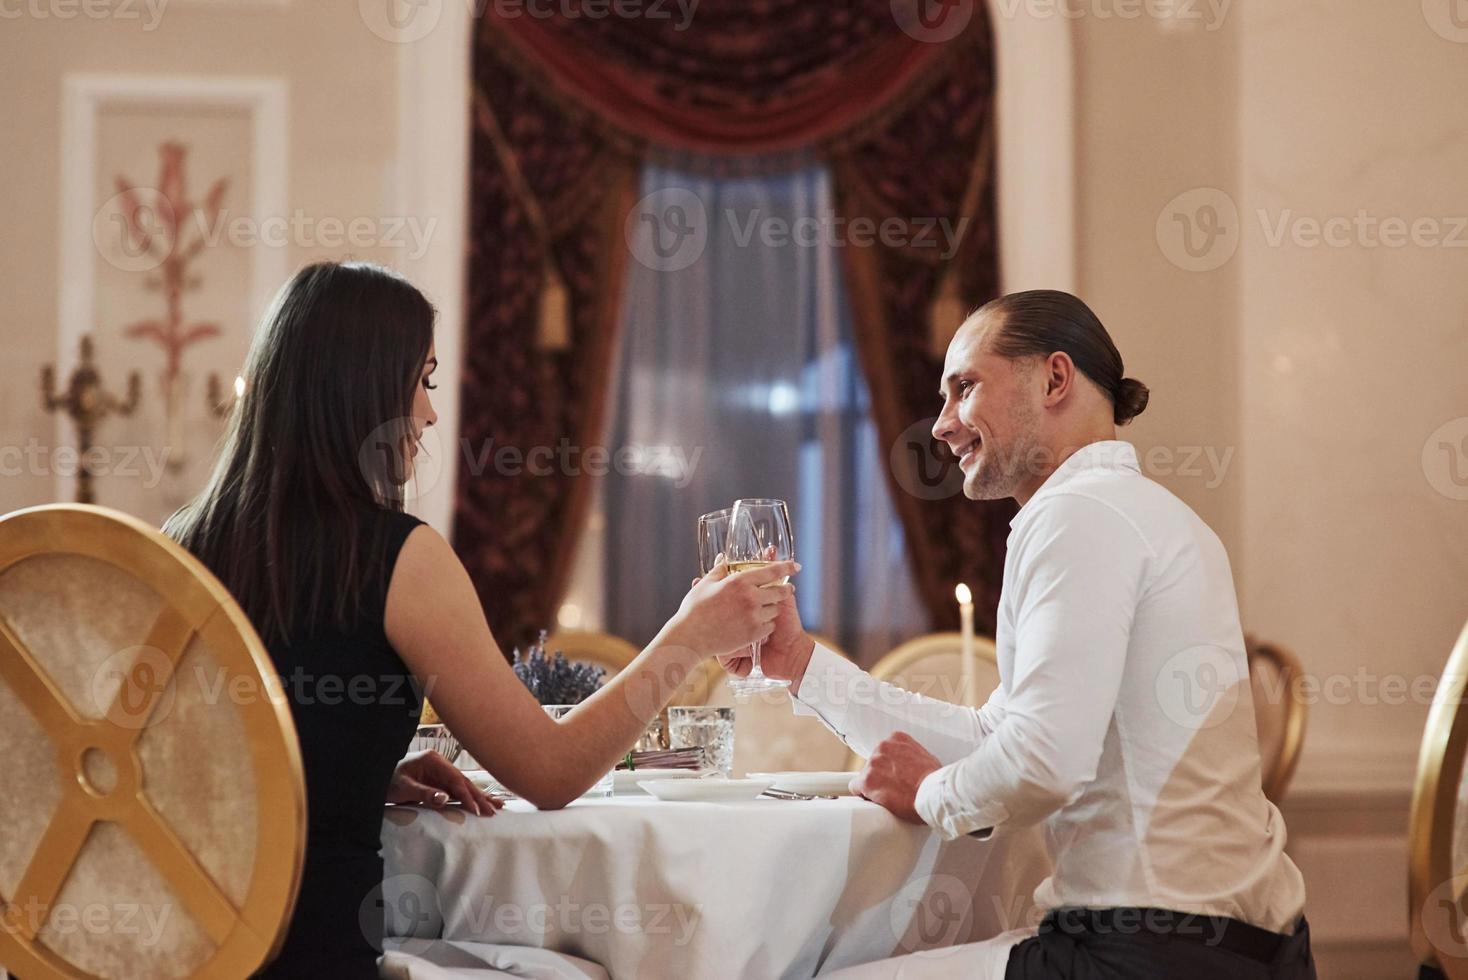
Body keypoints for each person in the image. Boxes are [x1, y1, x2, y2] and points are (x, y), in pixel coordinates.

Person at [166, 261, 796, 978]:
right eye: (424, 380)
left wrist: (348, 766)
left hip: (177, 956)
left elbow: (188, 758)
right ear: (364, 388)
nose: (431, 415)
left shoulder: (173, 546)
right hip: (310, 957)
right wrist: (688, 636)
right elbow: (550, 773)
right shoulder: (396, 558)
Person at [722, 290, 1314, 979]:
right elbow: (996, 739)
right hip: (1241, 949)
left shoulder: (1078, 515)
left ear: (1055, 379)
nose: (941, 426)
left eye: (964, 388)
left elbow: (1041, 763)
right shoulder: (1149, 515)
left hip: (1152, 953)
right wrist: (797, 663)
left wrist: (929, 795)